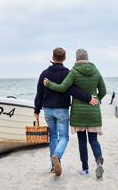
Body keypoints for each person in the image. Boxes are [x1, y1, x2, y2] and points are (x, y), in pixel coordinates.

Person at [34, 47, 98, 176]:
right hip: (62, 110)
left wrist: (36, 110)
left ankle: (53, 166)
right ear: (65, 58)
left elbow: (39, 94)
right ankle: (57, 155)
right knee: (63, 137)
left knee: (53, 136)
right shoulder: (67, 73)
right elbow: (73, 91)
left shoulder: (44, 74)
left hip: (47, 110)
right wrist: (89, 98)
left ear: (52, 57)